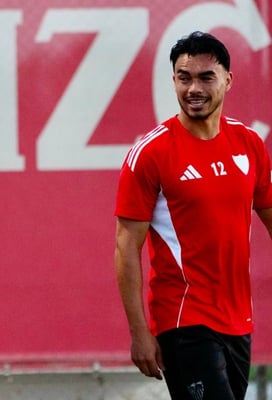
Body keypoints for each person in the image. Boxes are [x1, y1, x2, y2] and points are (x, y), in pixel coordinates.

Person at [114, 30, 272, 400]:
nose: (193, 89)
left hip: (238, 320)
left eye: (206, 77)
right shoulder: (150, 153)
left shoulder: (249, 143)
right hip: (183, 319)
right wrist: (139, 332)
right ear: (173, 80)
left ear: (228, 80)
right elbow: (126, 248)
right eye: (184, 78)